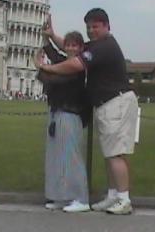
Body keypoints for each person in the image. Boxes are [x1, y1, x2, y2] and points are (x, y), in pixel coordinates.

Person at [39, 8, 138, 215]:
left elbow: (75, 63)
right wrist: (52, 36)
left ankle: (123, 198)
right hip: (108, 103)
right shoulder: (98, 46)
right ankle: (113, 196)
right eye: (89, 27)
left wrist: (46, 68)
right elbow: (72, 49)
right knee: (111, 153)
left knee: (115, 154)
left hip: (115, 102)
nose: (91, 30)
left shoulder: (104, 46)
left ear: (107, 26)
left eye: (96, 26)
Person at [35, 31, 91, 213]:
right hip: (56, 113)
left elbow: (54, 78)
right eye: (68, 44)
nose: (71, 48)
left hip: (70, 114)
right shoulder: (64, 62)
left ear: (81, 48)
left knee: (70, 158)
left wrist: (40, 67)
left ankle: (80, 198)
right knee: (56, 158)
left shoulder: (76, 67)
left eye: (75, 45)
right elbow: (53, 54)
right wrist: (47, 36)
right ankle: (61, 196)